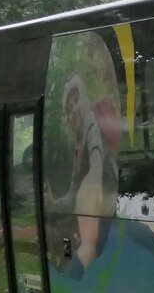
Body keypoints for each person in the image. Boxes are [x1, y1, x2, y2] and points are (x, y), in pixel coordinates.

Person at [47, 75, 119, 272]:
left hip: (108, 208)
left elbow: (96, 160)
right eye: (69, 110)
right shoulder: (77, 147)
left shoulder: (92, 126)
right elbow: (73, 191)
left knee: (90, 250)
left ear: (83, 100)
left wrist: (91, 186)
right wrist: (54, 203)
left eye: (75, 102)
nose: (73, 111)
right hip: (94, 211)